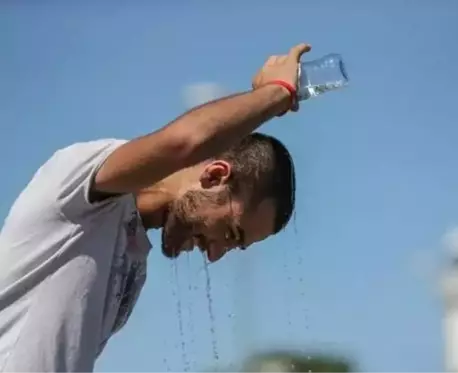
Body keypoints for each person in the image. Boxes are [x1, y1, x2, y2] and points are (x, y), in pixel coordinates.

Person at [0, 42, 312, 373]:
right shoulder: (78, 182)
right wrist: (279, 92)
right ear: (214, 176)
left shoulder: (134, 262)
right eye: (231, 233)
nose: (215, 254)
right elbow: (184, 143)